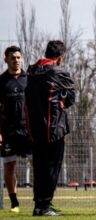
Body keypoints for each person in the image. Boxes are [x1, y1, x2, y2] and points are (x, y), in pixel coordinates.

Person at [25, 40, 75, 216]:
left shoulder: (31, 71)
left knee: (39, 168)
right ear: (60, 58)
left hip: (34, 128)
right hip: (54, 129)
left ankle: (38, 206)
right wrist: (61, 99)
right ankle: (45, 205)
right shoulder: (59, 72)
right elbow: (71, 97)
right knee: (52, 167)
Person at [0, 46, 32, 213]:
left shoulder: (30, 79)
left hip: (29, 131)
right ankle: (14, 203)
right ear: (6, 60)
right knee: (9, 167)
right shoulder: (1, 81)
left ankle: (40, 200)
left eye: (18, 57)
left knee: (37, 165)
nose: (16, 60)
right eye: (12, 57)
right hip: (9, 132)